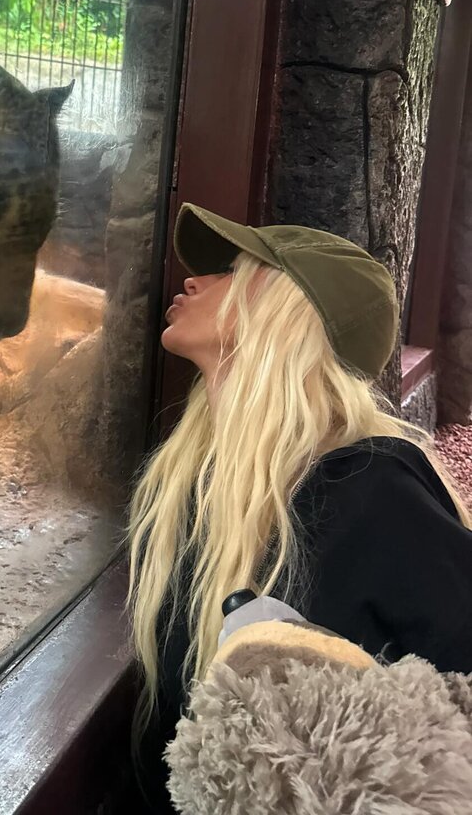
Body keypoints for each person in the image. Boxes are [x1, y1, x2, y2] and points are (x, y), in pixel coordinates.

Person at [126, 203, 472, 812]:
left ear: (292, 312)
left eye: (233, 270)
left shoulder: (373, 489)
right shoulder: (200, 488)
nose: (193, 280)